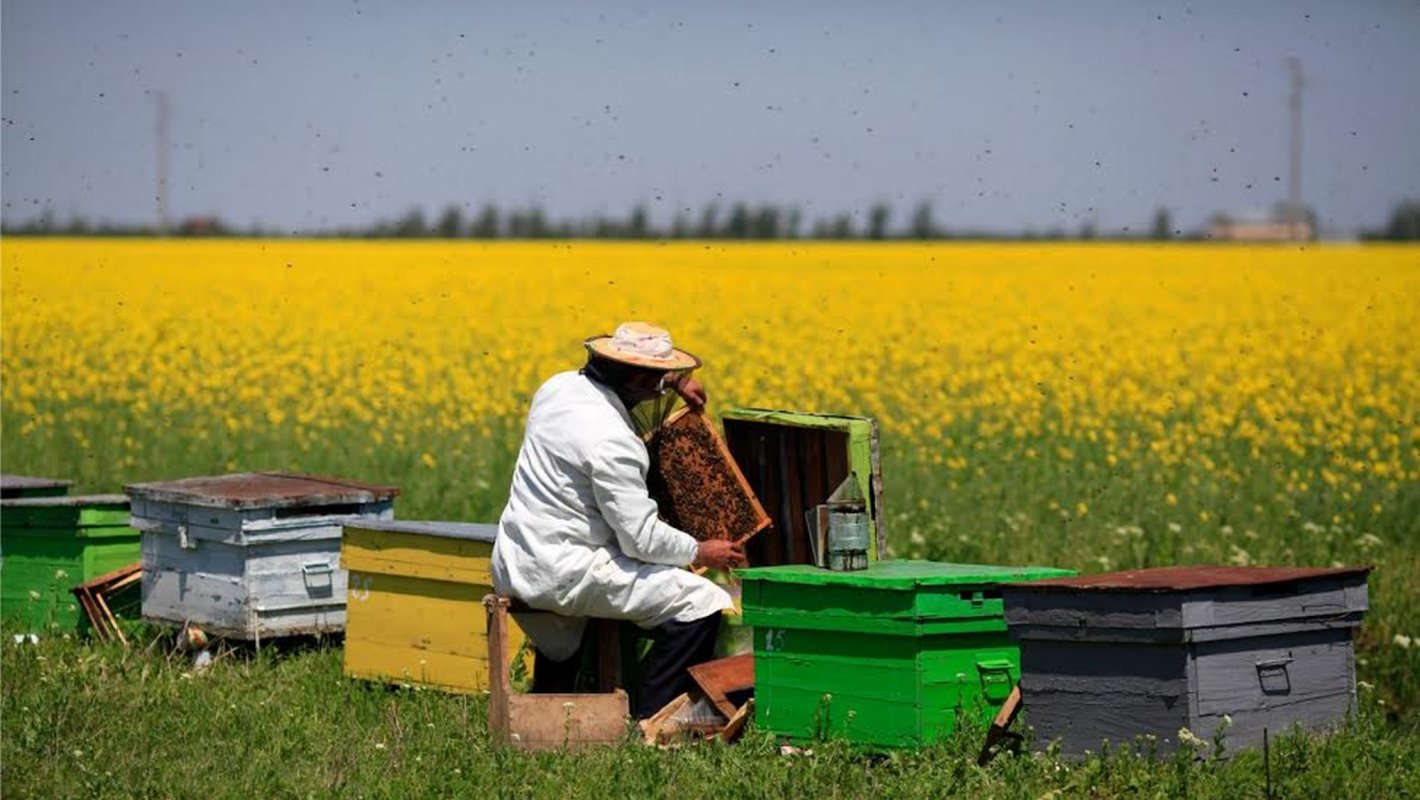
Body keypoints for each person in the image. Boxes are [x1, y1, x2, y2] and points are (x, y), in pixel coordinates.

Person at [491, 321, 746, 718]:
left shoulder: (556, 388)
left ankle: (554, 708)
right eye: (656, 382)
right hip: (568, 572)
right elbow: (640, 540)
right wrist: (700, 550)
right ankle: (650, 720)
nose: (657, 392)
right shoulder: (613, 439)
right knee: (703, 601)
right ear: (637, 377)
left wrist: (675, 382)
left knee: (564, 636)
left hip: (517, 559)